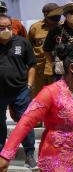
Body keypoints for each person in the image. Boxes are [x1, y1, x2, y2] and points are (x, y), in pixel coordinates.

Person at [0, 14, 37, 168]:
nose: (6, 30)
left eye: (9, 26)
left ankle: (29, 155)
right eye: (2, 28)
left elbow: (32, 65)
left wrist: (29, 86)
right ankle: (2, 154)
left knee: (25, 122)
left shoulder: (22, 43)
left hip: (20, 90)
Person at [27, 3, 61, 97]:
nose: (56, 20)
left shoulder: (63, 27)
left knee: (56, 98)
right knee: (37, 98)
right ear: (45, 14)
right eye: (53, 17)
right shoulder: (35, 28)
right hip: (39, 71)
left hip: (57, 70)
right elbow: (28, 48)